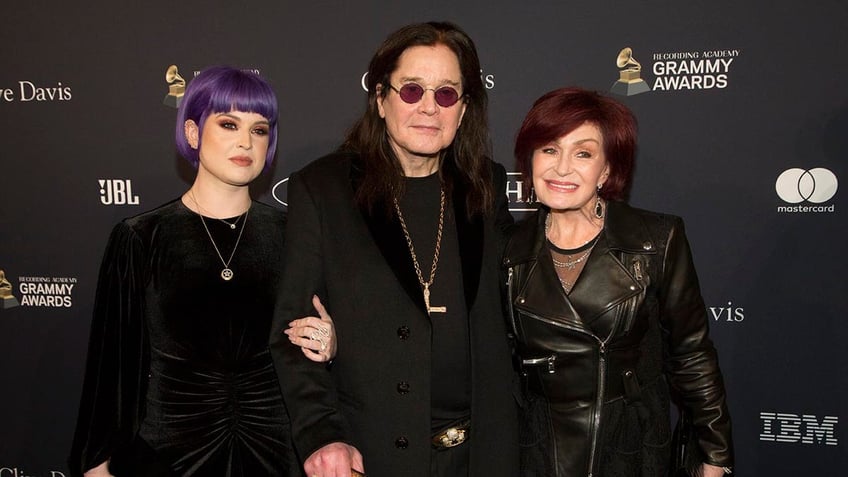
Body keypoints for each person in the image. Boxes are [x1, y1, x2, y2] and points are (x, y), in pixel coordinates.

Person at [269, 21, 519, 477]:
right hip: (371, 455)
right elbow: (292, 335)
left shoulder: (486, 185)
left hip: (482, 455)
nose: (428, 107)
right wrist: (321, 434)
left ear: (463, 110)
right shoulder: (324, 190)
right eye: (411, 91)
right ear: (381, 99)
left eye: (446, 94)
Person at [68, 66, 334, 477]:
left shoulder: (295, 235)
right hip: (167, 460)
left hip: (278, 458)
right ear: (192, 133)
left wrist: (332, 344)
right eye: (229, 124)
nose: (246, 141)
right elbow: (112, 372)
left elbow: (331, 351)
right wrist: (98, 467)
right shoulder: (142, 238)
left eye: (260, 129)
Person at [503, 87, 734, 476]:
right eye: (549, 149)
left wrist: (716, 454)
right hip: (538, 447)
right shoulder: (508, 248)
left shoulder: (655, 240)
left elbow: (691, 353)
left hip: (627, 444)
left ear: (606, 170)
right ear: (530, 159)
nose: (561, 168)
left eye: (583, 153)